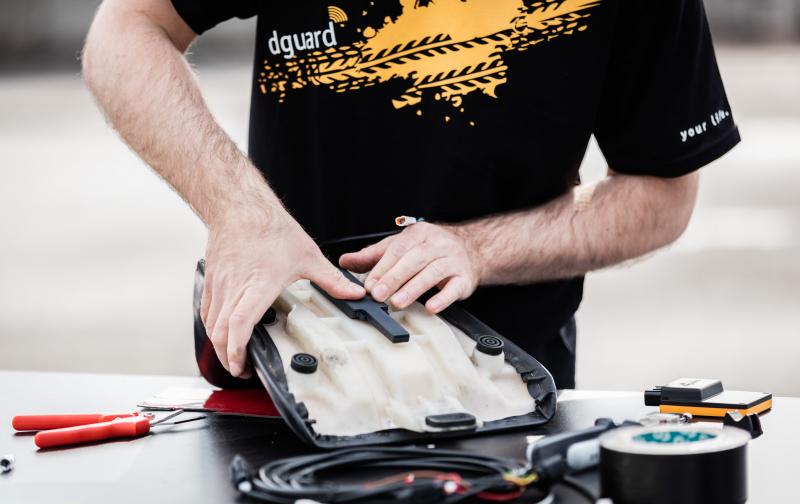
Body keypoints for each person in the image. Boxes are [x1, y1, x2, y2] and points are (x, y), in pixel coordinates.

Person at [82, 0, 739, 389]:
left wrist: (479, 249)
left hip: (503, 394)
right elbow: (127, 27)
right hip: (286, 378)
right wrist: (242, 215)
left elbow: (662, 194)